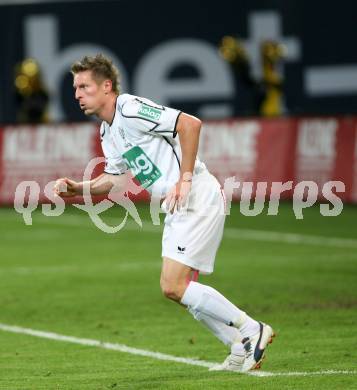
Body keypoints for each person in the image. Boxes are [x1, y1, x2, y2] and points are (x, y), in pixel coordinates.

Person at [53, 54, 274, 372]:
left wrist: (184, 179)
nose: (77, 94)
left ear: (106, 86)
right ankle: (238, 347)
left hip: (195, 193)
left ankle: (252, 329)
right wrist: (79, 188)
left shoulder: (129, 108)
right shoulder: (107, 130)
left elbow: (190, 124)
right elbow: (115, 179)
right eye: (75, 87)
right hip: (176, 205)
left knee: (174, 285)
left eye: (84, 86)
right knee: (180, 289)